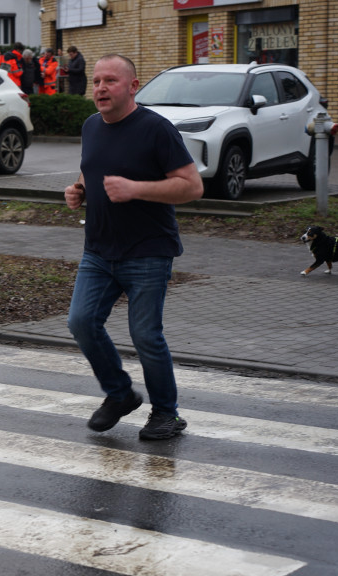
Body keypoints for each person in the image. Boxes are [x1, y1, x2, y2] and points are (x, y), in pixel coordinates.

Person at [63, 54, 204, 441]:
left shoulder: (156, 129)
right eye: (95, 81)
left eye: (110, 80)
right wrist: (79, 190)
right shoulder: (91, 126)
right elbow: (90, 168)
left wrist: (136, 189)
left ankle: (167, 414)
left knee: (145, 335)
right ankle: (120, 394)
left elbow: (192, 186)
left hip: (147, 251)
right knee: (81, 322)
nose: (100, 88)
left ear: (132, 85)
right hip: (99, 250)